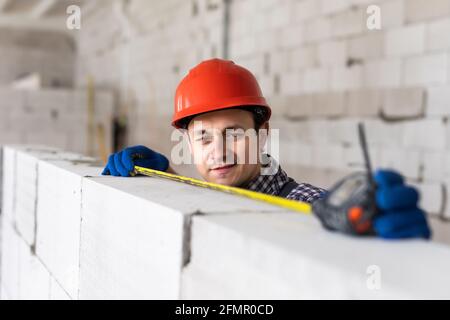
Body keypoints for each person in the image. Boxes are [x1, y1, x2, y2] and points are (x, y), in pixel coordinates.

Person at [102, 58, 431, 239]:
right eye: (203, 137)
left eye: (233, 133)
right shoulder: (202, 192)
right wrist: (163, 178)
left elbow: (332, 218)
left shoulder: (307, 207)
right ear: (187, 143)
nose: (219, 152)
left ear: (262, 134)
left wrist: (372, 233)